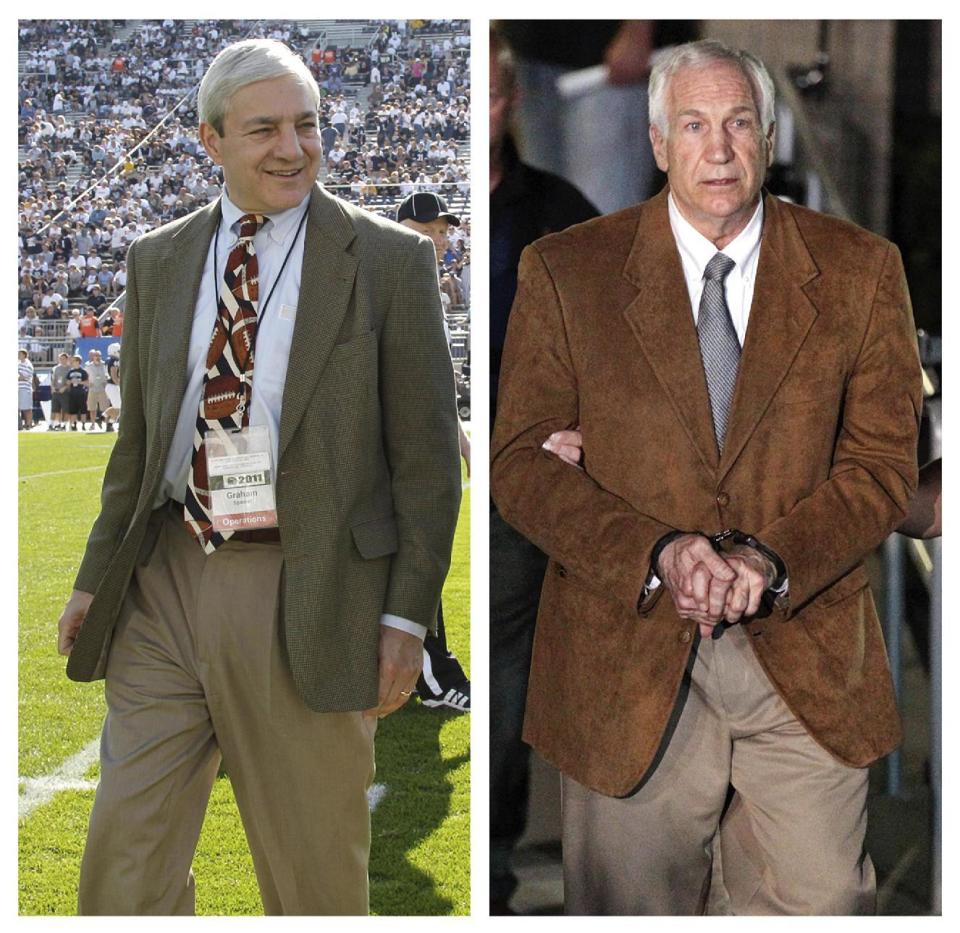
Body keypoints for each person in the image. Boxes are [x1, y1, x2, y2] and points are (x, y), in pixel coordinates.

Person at [490, 39, 921, 916]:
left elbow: (882, 468)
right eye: (693, 125)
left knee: (825, 901)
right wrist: (658, 551)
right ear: (657, 143)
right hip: (628, 655)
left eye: (736, 124)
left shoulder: (861, 271)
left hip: (805, 658)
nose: (717, 150)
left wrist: (771, 559)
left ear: (766, 136)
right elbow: (519, 468)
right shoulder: (566, 272)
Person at [55, 38, 461, 916]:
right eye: (264, 128)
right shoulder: (157, 257)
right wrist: (96, 576)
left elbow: (429, 462)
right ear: (210, 140)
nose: (293, 147)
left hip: (305, 586)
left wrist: (405, 620)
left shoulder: (389, 260)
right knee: (123, 867)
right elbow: (139, 442)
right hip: (163, 576)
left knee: (311, 879)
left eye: (307, 125)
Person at [488, 30, 599, 915]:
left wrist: (577, 427)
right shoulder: (356, 209)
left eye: (493, 94)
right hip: (390, 472)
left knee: (500, 674)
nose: (480, 112)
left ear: (512, 99)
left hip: (513, 482)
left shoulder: (561, 210)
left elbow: (619, 345)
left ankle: (485, 867)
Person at [395, 190, 472, 714]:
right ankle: (432, 676)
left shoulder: (427, 287)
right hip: (404, 449)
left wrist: (461, 437)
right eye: (429, 232)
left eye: (442, 231)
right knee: (416, 561)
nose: (440, 240)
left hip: (425, 440)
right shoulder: (396, 285)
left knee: (421, 559)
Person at [49, 350, 71, 431]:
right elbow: (53, 379)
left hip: (65, 392)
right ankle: (54, 424)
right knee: (55, 409)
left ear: (67, 359)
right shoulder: (55, 368)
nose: (62, 360)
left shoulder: (70, 369)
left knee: (65, 409)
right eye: (60, 359)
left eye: (63, 358)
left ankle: (64, 425)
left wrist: (64, 387)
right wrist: (53, 388)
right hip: (56, 391)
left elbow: (70, 381)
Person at [18, 349, 35, 430]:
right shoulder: (18, 363)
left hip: (25, 389)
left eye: (20, 354)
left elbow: (24, 377)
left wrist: (19, 375)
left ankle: (29, 424)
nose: (18, 355)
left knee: (27, 408)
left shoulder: (28, 364)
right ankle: (21, 425)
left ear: (24, 355)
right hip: (18, 388)